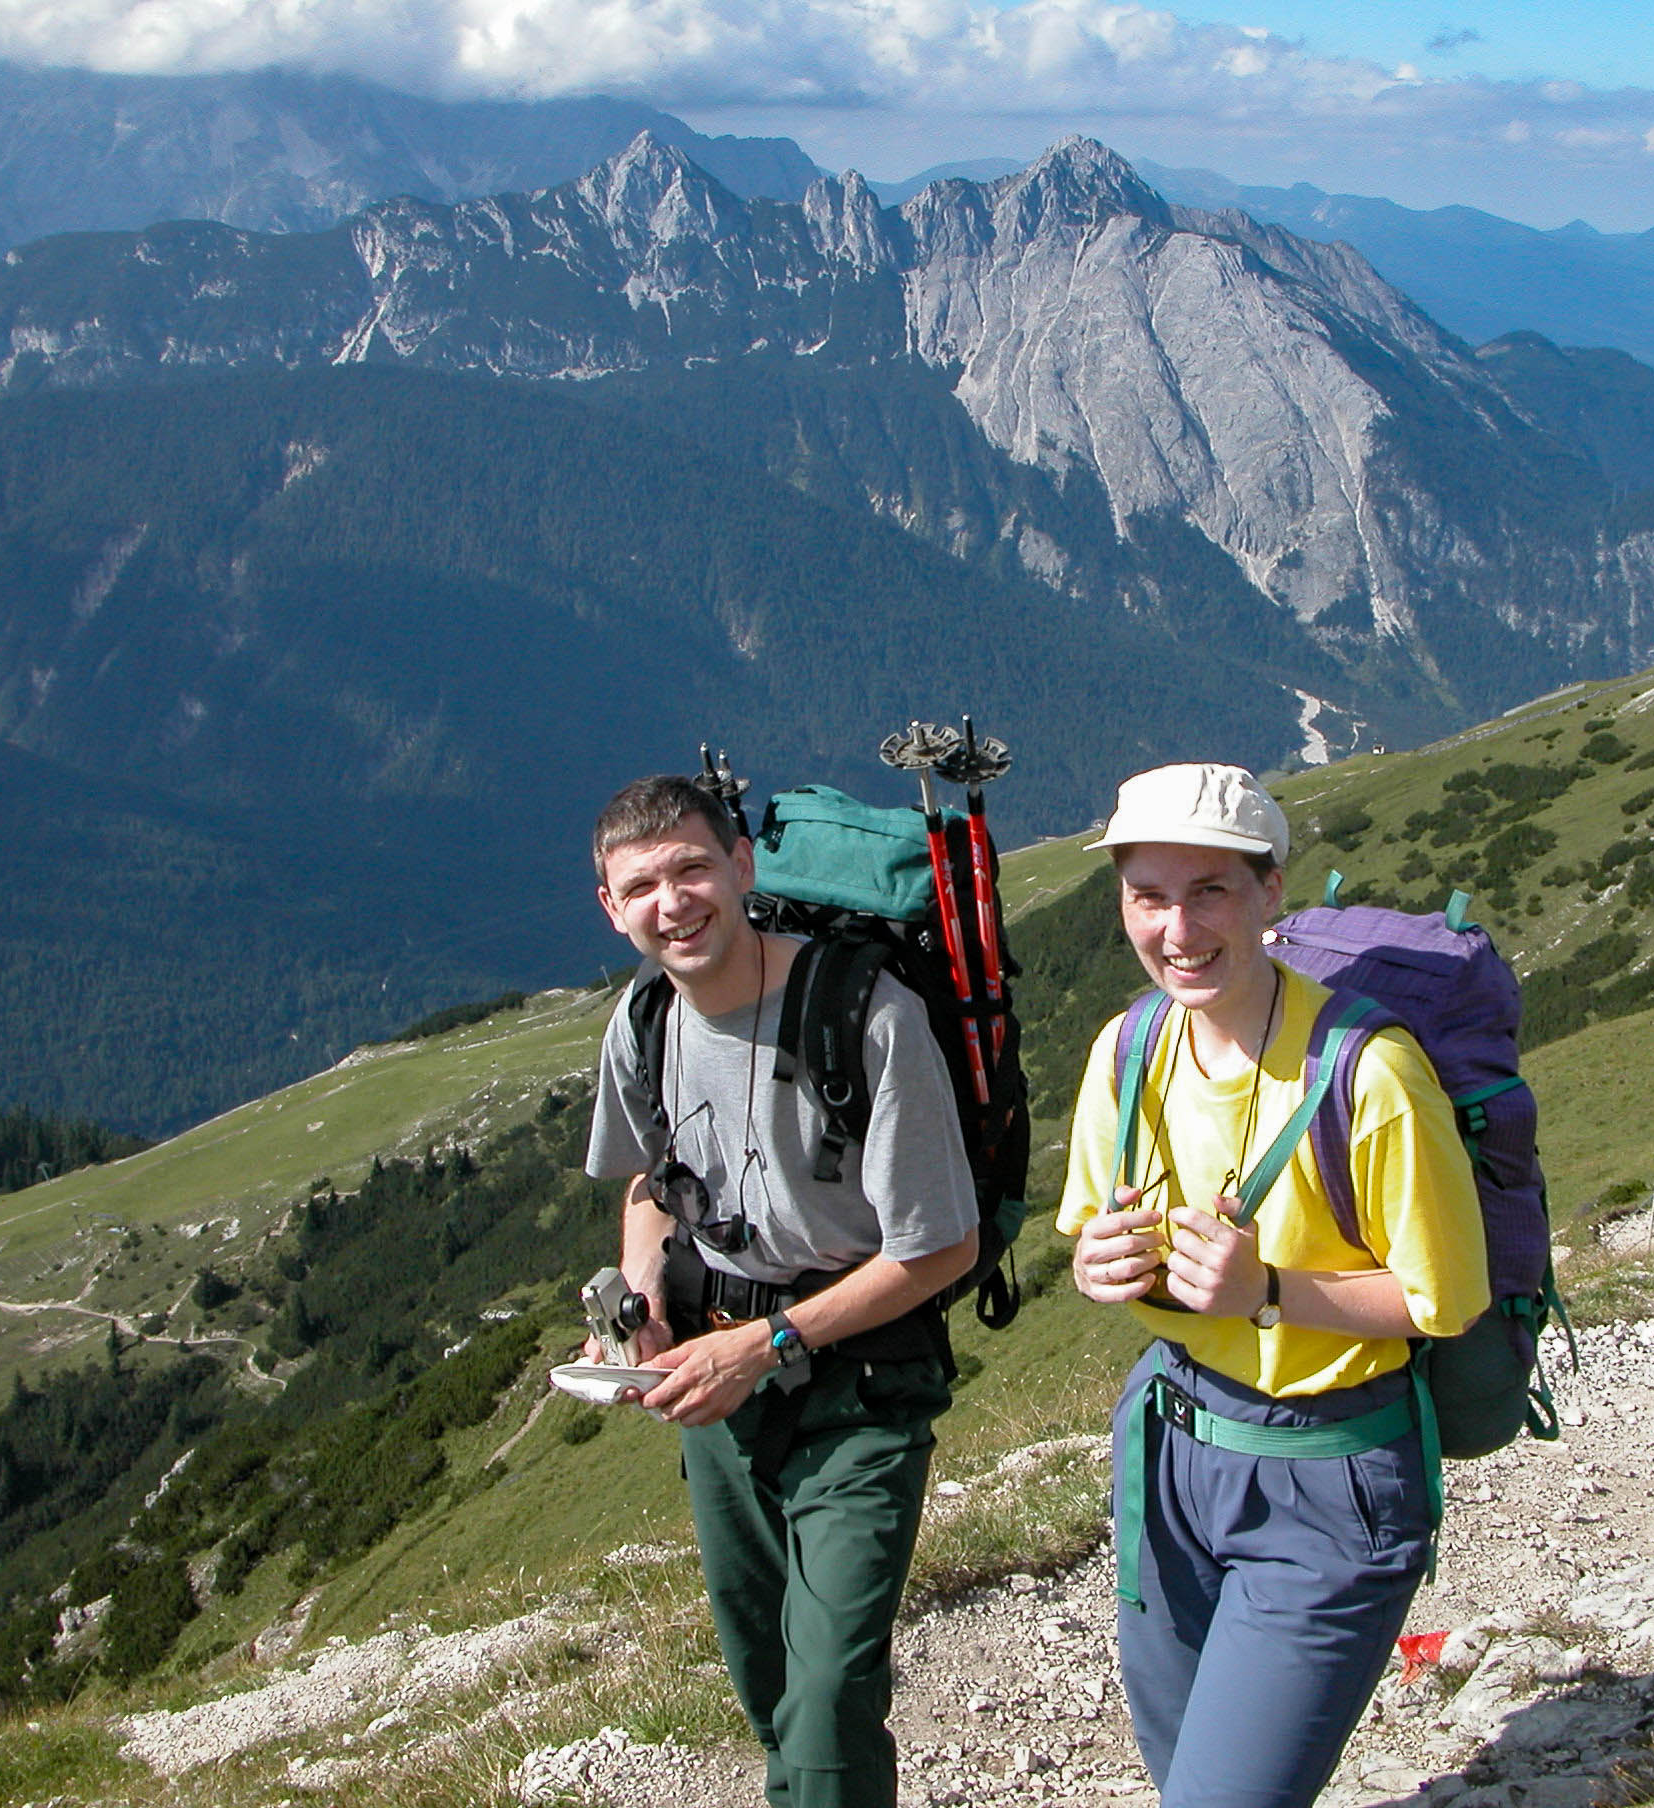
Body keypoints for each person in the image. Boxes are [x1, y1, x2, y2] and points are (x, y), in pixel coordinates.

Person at [1058, 763, 1492, 1808]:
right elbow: (1085, 1232)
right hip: (1167, 1448)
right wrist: (1095, 1269)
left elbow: (1447, 1303)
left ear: (1270, 893)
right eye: (1148, 896)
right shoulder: (1128, 1047)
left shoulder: (1369, 1074)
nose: (1177, 929)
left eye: (1210, 890)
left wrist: (1268, 1293)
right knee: (1188, 1783)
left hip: (1330, 1474)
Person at [582, 773, 980, 1808]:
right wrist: (641, 1302)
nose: (672, 903)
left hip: (860, 1386)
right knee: (767, 1682)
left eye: (692, 869)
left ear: (742, 867)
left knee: (830, 1695)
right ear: (610, 906)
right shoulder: (640, 1024)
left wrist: (766, 1348)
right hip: (716, 1394)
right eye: (642, 886)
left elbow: (938, 1250)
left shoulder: (867, 1017)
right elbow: (649, 1182)